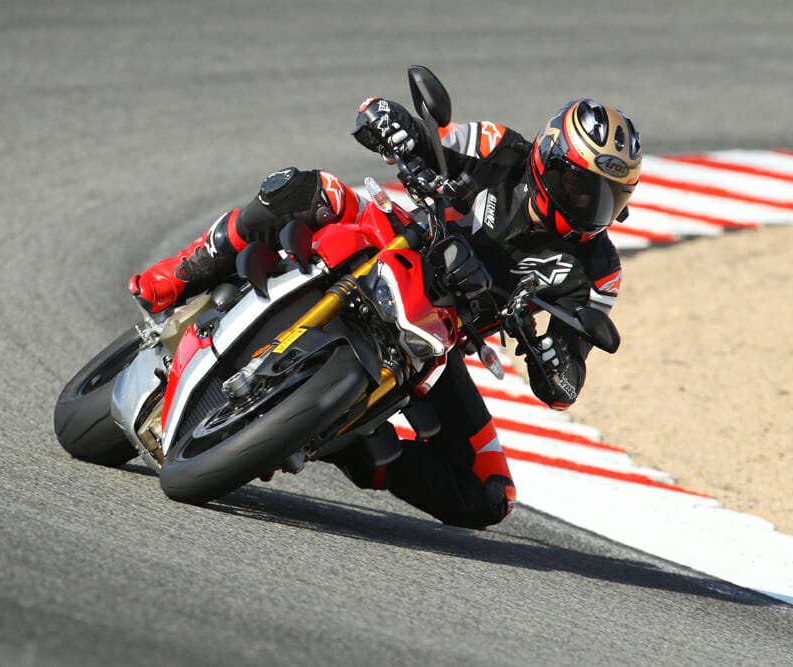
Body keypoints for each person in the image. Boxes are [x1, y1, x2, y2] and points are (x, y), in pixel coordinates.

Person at [129, 96, 641, 529]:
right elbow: (420, 132)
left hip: (442, 335)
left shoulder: (598, 270)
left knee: (492, 494)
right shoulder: (498, 147)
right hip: (392, 239)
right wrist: (393, 128)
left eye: (603, 197)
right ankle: (178, 273)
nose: (585, 202)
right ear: (547, 159)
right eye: (577, 184)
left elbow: (568, 378)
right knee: (307, 188)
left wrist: (551, 359)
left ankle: (347, 441)